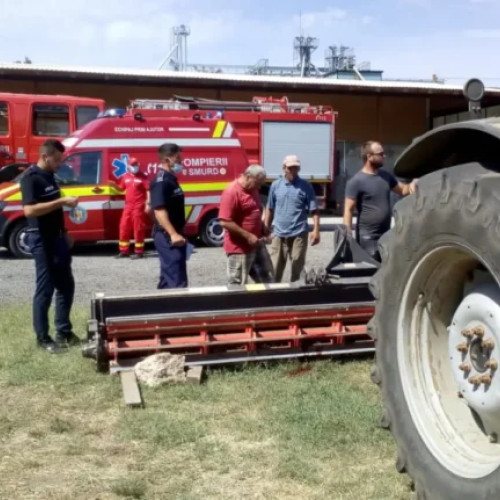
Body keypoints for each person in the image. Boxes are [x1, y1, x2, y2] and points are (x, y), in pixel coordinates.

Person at [20, 139, 81, 354]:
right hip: (41, 240)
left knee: (66, 285)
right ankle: (43, 338)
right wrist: (61, 202)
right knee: (45, 289)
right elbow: (29, 211)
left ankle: (63, 332)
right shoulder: (31, 178)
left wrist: (65, 233)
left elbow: (54, 213)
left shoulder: (50, 176)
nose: (60, 163)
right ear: (45, 156)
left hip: (57, 239)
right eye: (57, 160)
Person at [343, 141, 417, 261]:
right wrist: (347, 235)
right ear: (369, 156)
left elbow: (404, 190)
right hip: (367, 238)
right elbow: (348, 210)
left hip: (386, 235)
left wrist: (414, 183)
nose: (384, 156)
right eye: (381, 154)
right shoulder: (356, 182)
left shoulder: (386, 177)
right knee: (370, 272)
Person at [264, 154, 320, 282]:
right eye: (290, 168)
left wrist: (316, 230)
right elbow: (270, 208)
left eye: (296, 168)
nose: (293, 171)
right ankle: (273, 297)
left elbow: (314, 210)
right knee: (274, 269)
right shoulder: (275, 185)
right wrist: (266, 227)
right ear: (284, 168)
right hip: (278, 234)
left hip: (299, 233)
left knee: (297, 269)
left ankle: (296, 297)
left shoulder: (306, 186)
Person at [219, 165, 274, 285]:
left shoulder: (253, 189)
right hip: (239, 249)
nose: (259, 187)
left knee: (267, 280)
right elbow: (224, 221)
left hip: (257, 244)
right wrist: (247, 236)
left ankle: (267, 303)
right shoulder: (232, 192)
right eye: (258, 183)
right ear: (248, 177)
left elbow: (254, 213)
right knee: (237, 285)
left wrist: (263, 228)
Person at [149, 143, 188, 288]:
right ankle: (179, 308)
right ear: (166, 160)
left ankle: (161, 308)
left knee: (168, 278)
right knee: (177, 280)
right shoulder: (161, 181)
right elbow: (158, 210)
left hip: (175, 233)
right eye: (177, 158)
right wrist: (172, 233)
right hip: (168, 236)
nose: (181, 161)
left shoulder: (171, 179)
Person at [109, 157, 150, 259]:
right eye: (132, 165)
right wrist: (114, 186)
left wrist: (148, 202)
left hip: (138, 206)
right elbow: (121, 188)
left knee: (138, 228)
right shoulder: (125, 176)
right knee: (124, 227)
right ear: (128, 166)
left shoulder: (143, 177)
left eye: (136, 165)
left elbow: (148, 189)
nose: (134, 167)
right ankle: (124, 251)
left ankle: (139, 251)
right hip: (128, 206)